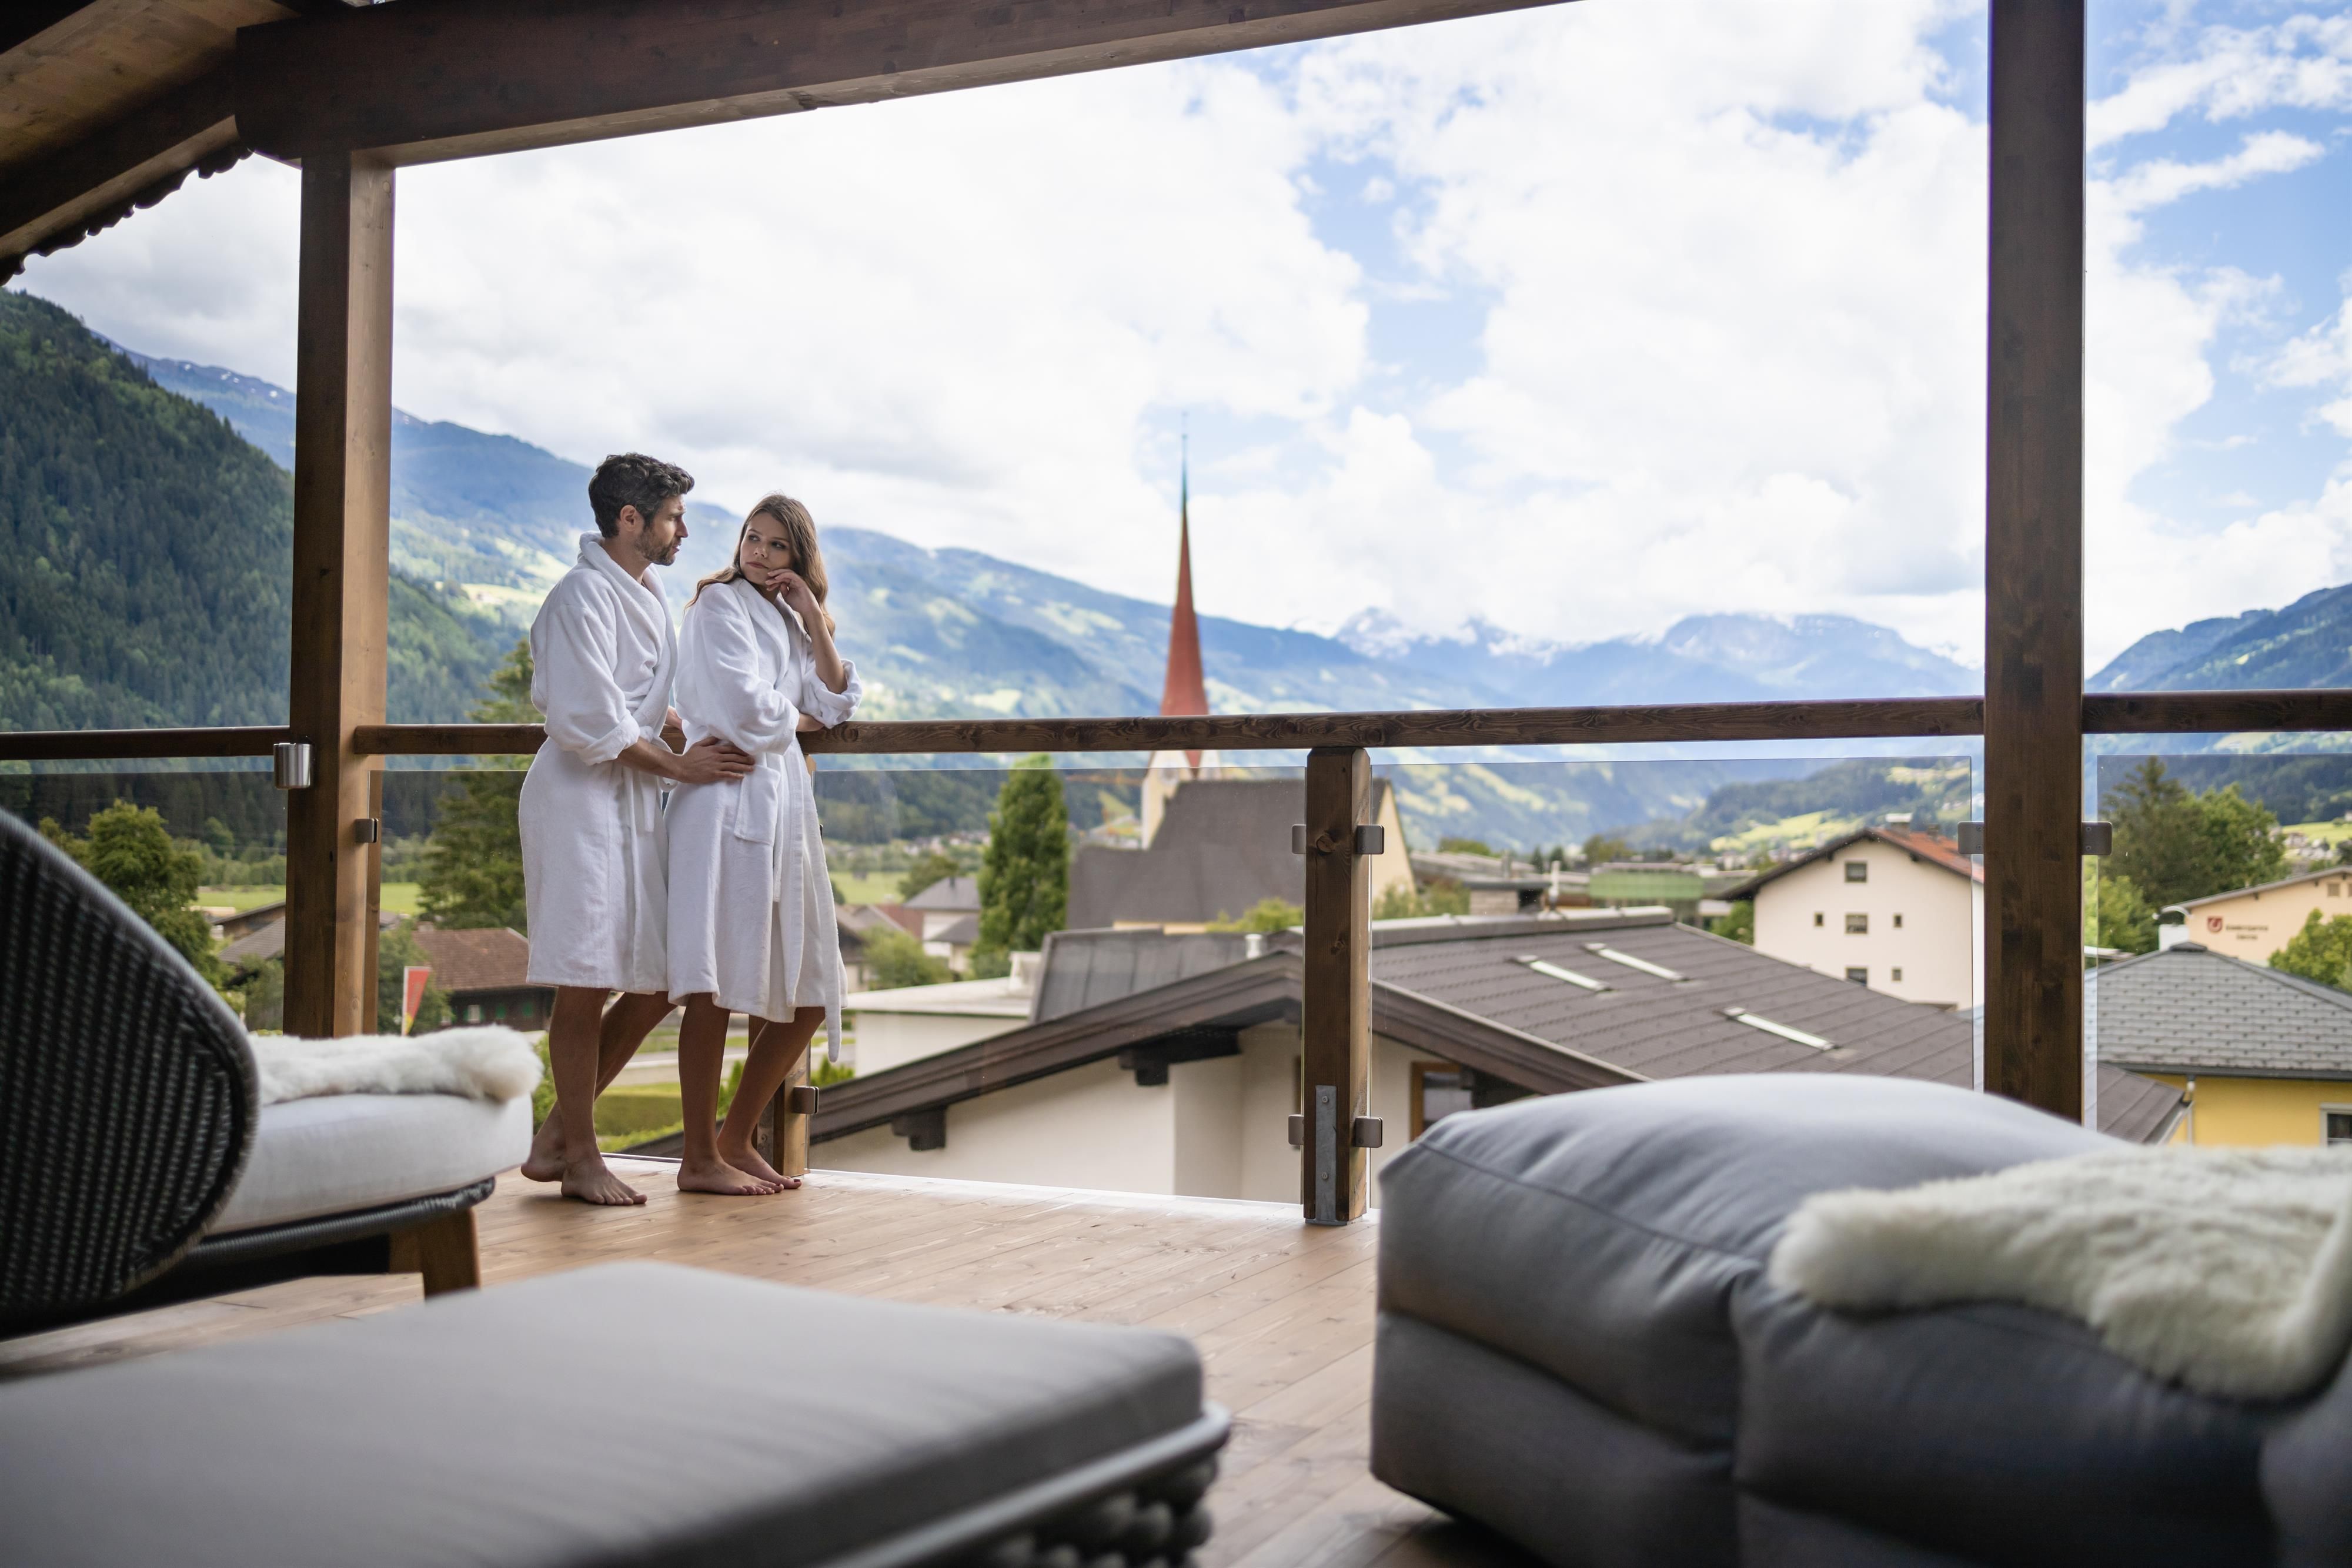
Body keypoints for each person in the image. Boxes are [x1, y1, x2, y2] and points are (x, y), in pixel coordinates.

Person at [516, 453, 754, 1206]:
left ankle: (556, 1138)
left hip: (628, 799)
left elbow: (628, 696)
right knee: (584, 980)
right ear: (631, 519)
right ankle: (580, 1158)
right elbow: (589, 718)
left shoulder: (643, 591)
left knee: (658, 978)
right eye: (674, 517)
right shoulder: (580, 597)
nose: (684, 531)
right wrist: (681, 767)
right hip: (579, 801)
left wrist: (677, 723)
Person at [665, 494, 861, 1196]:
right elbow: (747, 710)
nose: (760, 553)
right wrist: (801, 720)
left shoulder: (787, 618)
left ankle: (736, 1137)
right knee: (712, 985)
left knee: (811, 986)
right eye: (753, 538)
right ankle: (697, 1156)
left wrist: (811, 614)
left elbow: (837, 701)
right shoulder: (716, 606)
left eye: (777, 545)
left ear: (798, 559)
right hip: (720, 802)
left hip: (780, 810)